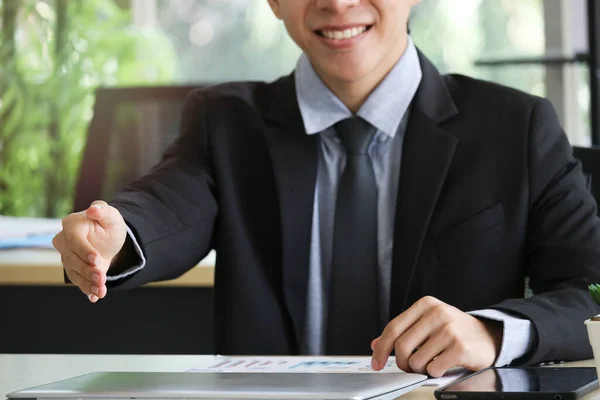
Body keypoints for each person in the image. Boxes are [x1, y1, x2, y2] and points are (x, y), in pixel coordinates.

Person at [52, 0, 600, 379]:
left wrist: (493, 333)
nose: (338, 3)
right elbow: (170, 205)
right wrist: (116, 235)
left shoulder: (516, 128)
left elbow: (591, 293)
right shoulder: (226, 123)